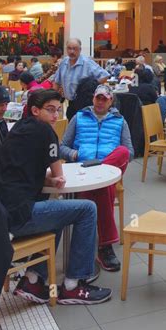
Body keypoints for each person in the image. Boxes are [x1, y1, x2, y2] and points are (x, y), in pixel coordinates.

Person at [0, 90, 112, 304]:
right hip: (19, 216)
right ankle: (74, 285)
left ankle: (33, 280)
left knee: (57, 210)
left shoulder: (19, 128)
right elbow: (60, 177)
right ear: (36, 110)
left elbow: (22, 172)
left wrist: (47, 181)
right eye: (50, 110)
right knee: (87, 209)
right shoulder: (45, 131)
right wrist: (53, 178)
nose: (56, 115)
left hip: (0, 214)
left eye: (58, 110)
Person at [59, 84, 133, 270]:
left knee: (121, 152)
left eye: (104, 99)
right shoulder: (79, 117)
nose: (100, 102)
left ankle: (99, 242)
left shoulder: (120, 121)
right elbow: (62, 147)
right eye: (97, 98)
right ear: (93, 98)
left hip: (109, 168)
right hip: (83, 168)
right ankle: (105, 246)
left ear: (111, 101)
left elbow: (129, 152)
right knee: (103, 187)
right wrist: (74, 155)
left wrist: (105, 165)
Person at [53, 38, 109, 120]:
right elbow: (57, 82)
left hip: (85, 104)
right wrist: (53, 99)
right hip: (71, 104)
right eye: (69, 48)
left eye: (75, 49)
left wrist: (91, 87)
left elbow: (104, 75)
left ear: (80, 49)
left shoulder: (87, 62)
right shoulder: (63, 63)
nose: (72, 51)